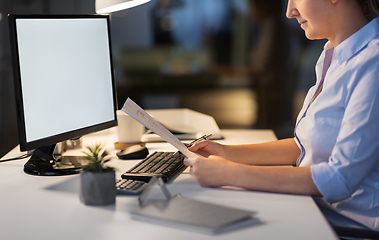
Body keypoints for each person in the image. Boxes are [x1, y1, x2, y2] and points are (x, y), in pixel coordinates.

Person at [184, 0, 379, 230]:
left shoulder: (372, 63)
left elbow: (340, 179)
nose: (289, 12)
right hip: (314, 212)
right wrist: (228, 154)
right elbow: (304, 145)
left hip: (347, 229)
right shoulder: (334, 54)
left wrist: (233, 174)